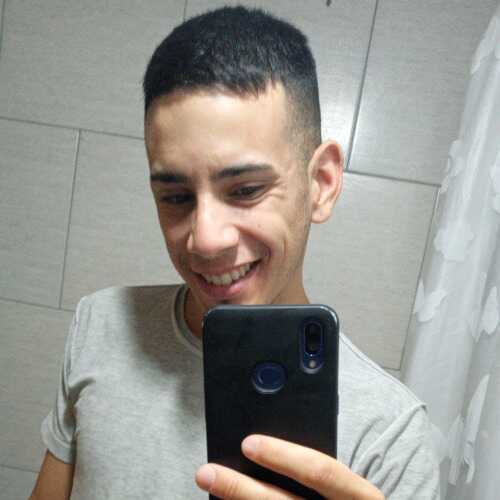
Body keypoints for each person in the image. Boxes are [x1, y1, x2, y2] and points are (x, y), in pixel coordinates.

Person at [29, 6, 440, 500]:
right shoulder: (101, 324)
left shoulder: (391, 437)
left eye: (245, 190)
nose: (205, 239)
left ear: (321, 183)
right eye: (176, 196)